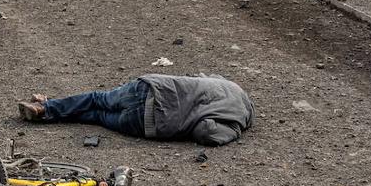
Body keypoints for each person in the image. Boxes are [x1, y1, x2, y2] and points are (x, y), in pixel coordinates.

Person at [17, 74, 254, 146]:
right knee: (99, 116)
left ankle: (45, 107)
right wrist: (234, 132)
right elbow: (206, 132)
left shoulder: (229, 84)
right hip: (149, 121)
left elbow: (199, 78)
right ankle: (47, 110)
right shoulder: (237, 120)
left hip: (149, 88)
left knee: (96, 98)